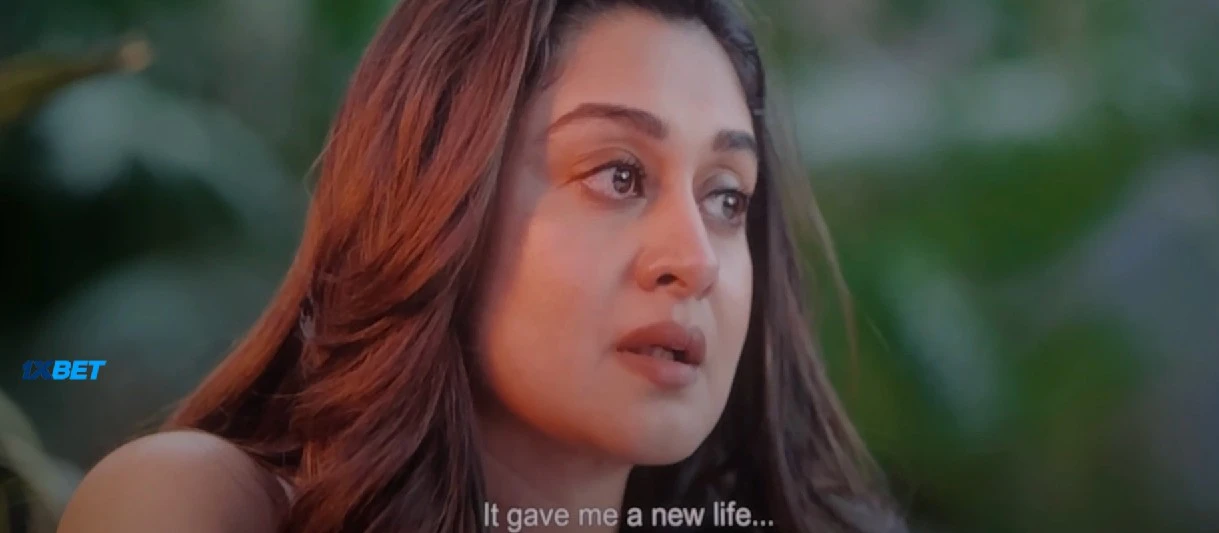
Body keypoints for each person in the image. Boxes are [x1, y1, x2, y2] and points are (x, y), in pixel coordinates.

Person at [57, 1, 904, 532]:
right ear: (442, 199)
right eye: (618, 175)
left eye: (726, 197)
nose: (695, 261)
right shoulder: (198, 506)